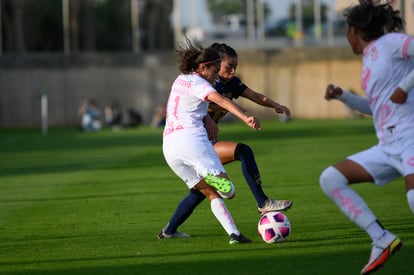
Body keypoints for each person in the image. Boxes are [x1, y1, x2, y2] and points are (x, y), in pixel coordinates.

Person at [158, 42, 293, 240]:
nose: (232, 71)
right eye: (228, 66)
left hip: (173, 144)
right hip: (197, 143)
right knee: (239, 158)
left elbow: (253, 95)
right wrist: (232, 118)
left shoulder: (202, 80)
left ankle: (170, 230)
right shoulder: (207, 83)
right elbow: (219, 101)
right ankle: (262, 202)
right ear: (213, 65)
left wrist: (275, 105)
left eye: (235, 67)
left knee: (200, 193)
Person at [319, 1, 414, 274]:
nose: (345, 37)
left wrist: (405, 87)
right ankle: (381, 238)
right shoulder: (369, 59)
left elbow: (399, 92)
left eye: (346, 31)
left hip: (410, 136)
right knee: (330, 178)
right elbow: (375, 108)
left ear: (353, 30)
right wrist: (343, 97)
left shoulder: (394, 42)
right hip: (388, 146)